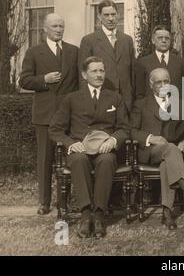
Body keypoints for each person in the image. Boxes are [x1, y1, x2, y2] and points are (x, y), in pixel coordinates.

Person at [49, 56, 130, 238]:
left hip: (104, 148)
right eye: (94, 71)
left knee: (107, 161)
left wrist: (113, 141)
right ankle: (86, 215)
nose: (99, 74)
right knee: (78, 160)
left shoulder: (115, 98)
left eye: (102, 70)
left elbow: (125, 128)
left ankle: (99, 215)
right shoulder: (72, 98)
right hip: (81, 148)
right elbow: (55, 129)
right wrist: (71, 143)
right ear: (85, 75)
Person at [19, 13, 79, 215]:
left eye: (61, 26)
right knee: (45, 159)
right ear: (45, 28)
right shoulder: (34, 52)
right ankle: (44, 202)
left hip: (68, 115)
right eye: (54, 26)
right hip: (44, 115)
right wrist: (44, 79)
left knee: (70, 157)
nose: (59, 29)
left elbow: (78, 84)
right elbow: (24, 81)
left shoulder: (73, 51)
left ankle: (65, 201)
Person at [130, 68, 184, 230]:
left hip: (175, 153)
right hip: (151, 152)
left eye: (166, 81)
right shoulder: (141, 104)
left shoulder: (181, 104)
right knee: (168, 149)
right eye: (158, 82)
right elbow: (133, 130)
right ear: (151, 85)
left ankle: (167, 212)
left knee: (167, 163)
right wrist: (151, 138)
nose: (163, 85)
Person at [78, 0, 135, 111]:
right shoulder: (89, 40)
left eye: (113, 14)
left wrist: (132, 98)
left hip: (125, 101)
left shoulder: (127, 40)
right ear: (99, 17)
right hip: (101, 97)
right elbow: (83, 75)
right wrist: (88, 100)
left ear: (118, 15)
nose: (110, 18)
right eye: (106, 15)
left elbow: (132, 72)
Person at [134, 25, 184, 100]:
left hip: (175, 108)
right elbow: (139, 93)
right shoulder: (143, 63)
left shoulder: (181, 62)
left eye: (167, 38)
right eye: (160, 38)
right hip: (151, 109)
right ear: (153, 40)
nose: (164, 40)